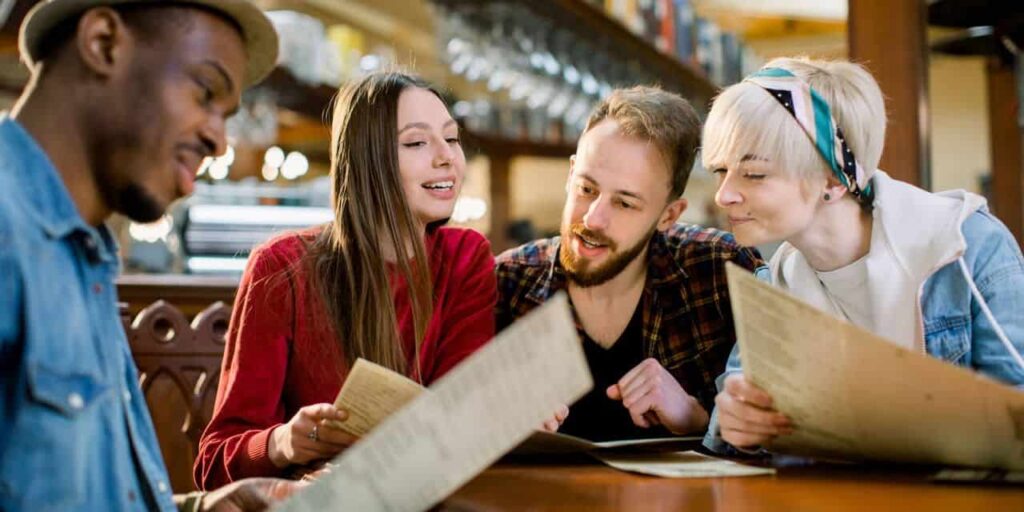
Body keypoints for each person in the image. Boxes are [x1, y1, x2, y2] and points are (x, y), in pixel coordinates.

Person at [0, 0, 303, 510]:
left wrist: (200, 507)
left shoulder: (81, 254)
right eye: (205, 92)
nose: (219, 141)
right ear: (103, 44)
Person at [704, 57, 1024, 452]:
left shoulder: (966, 247)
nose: (724, 195)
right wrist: (739, 426)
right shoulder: (774, 283)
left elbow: (1018, 420)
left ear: (834, 180)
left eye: (754, 174)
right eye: (721, 170)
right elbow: (725, 436)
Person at [195, 71, 498, 487]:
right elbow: (214, 461)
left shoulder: (466, 258)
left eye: (452, 138)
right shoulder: (281, 267)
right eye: (416, 142)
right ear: (367, 159)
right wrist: (285, 442)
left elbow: (457, 429)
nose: (447, 157)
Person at [495, 86, 763, 441]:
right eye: (586, 189)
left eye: (624, 203)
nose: (593, 219)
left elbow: (782, 435)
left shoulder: (722, 270)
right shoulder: (506, 282)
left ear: (669, 215)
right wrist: (499, 428)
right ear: (570, 173)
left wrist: (695, 418)